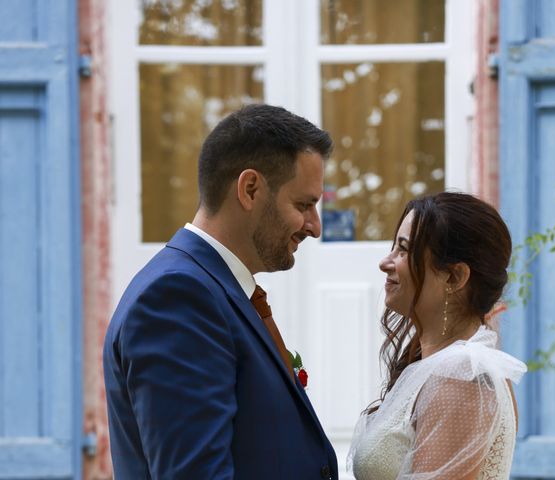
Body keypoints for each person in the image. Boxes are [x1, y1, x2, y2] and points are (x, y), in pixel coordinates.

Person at [103, 104, 338, 479]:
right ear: (250, 189)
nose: (314, 226)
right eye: (304, 204)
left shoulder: (213, 289)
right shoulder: (177, 298)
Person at [348, 192, 527, 480]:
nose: (386, 262)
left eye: (404, 250)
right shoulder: (441, 367)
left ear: (454, 277)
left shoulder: (461, 376)